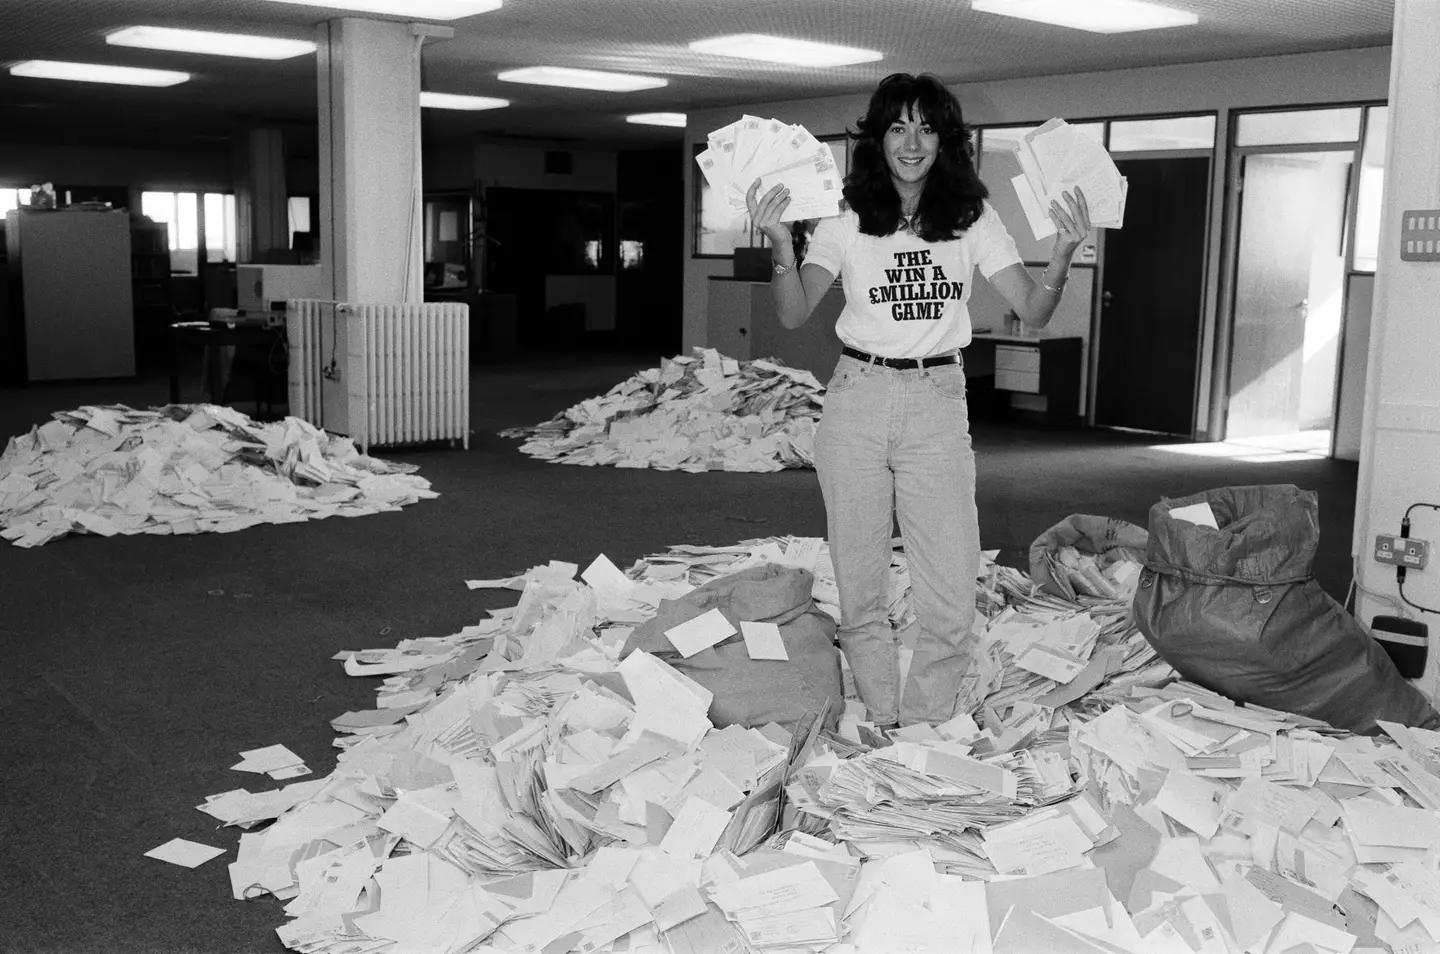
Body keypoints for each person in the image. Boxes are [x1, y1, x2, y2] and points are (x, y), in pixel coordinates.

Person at [745, 73, 1091, 728]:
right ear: (877, 138)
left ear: (945, 140)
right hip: (858, 400)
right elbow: (793, 313)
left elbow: (1033, 309)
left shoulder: (971, 219)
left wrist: (1064, 253)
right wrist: (782, 245)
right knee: (862, 588)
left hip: (937, 399)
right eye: (898, 126)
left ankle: (926, 722)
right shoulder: (847, 218)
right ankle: (886, 725)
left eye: (926, 127)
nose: (912, 142)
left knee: (952, 597)